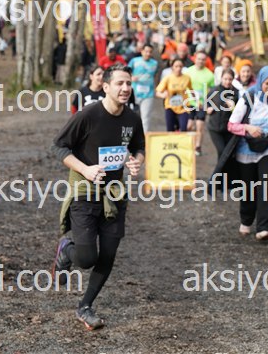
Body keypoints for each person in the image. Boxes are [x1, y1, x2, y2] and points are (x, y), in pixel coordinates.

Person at [51, 63, 145, 330]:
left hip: (114, 195)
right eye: (119, 83)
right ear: (105, 87)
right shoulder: (89, 114)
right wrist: (85, 169)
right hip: (85, 193)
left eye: (128, 83)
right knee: (86, 258)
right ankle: (66, 250)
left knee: (109, 254)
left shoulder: (132, 118)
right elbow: (58, 146)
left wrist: (136, 162)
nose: (125, 88)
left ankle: (85, 306)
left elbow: (139, 146)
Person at [227, 66, 268, 240]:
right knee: (249, 188)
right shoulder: (249, 97)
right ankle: (246, 220)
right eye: (267, 84)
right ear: (260, 82)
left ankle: (264, 227)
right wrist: (248, 128)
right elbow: (231, 125)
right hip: (246, 147)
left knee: (267, 185)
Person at [185, 51, 215, 156]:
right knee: (189, 125)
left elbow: (213, 90)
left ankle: (198, 147)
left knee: (199, 125)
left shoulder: (210, 75)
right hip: (189, 102)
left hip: (202, 104)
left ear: (206, 61)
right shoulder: (188, 71)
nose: (201, 61)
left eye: (203, 59)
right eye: (199, 59)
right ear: (195, 59)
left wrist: (209, 103)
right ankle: (188, 144)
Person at [207, 69, 240, 159]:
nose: (227, 82)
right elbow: (207, 103)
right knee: (222, 151)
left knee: (228, 153)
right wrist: (208, 108)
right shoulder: (214, 90)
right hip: (215, 128)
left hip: (229, 129)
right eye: (225, 79)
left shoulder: (236, 93)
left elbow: (240, 111)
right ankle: (220, 168)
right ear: (221, 78)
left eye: (230, 79)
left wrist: (232, 107)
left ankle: (222, 168)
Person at [156, 58, 193, 132]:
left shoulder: (187, 78)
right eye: (176, 66)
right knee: (170, 130)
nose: (178, 68)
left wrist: (196, 101)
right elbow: (158, 92)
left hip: (183, 107)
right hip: (170, 106)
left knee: (183, 128)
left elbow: (191, 89)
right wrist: (163, 95)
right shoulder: (168, 78)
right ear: (172, 67)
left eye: (180, 66)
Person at [128, 44, 158, 133]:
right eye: (146, 51)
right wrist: (131, 77)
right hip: (134, 93)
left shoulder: (154, 63)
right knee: (133, 115)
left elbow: (155, 76)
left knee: (146, 117)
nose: (148, 54)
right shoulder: (134, 61)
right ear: (142, 51)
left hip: (148, 94)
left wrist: (156, 88)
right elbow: (126, 72)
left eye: (150, 52)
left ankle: (144, 137)